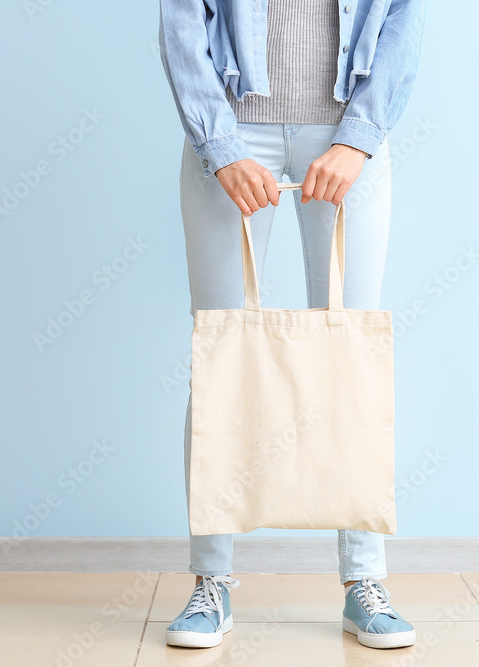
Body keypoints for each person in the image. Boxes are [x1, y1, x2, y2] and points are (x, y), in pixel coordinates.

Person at [158, 0, 424, 650]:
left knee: (351, 359)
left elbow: (403, 19)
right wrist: (218, 144)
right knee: (221, 360)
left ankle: (365, 580)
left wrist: (359, 136)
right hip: (232, 127)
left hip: (345, 132)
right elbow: (182, 21)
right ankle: (210, 581)